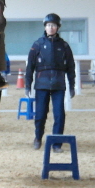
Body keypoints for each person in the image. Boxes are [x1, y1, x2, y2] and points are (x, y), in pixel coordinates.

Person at [25, 14, 76, 150]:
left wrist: (72, 85)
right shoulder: (37, 45)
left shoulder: (64, 46)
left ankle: (57, 143)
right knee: (40, 114)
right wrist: (27, 85)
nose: (51, 28)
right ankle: (38, 137)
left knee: (59, 115)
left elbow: (71, 67)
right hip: (42, 85)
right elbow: (30, 67)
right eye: (48, 25)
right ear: (45, 27)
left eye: (53, 25)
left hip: (59, 85)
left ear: (57, 27)